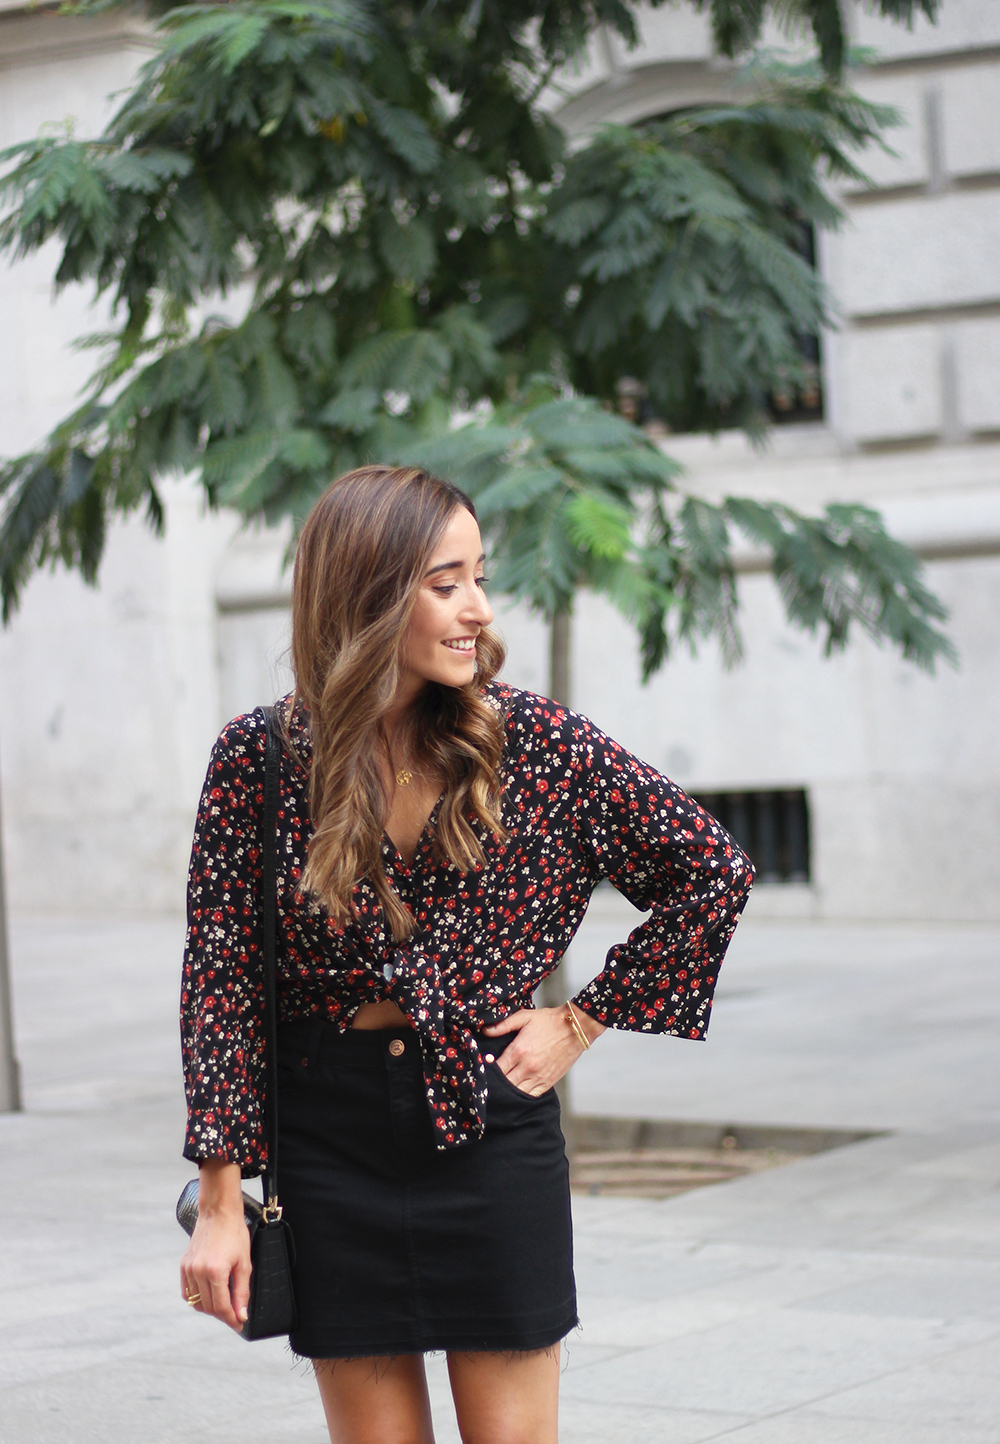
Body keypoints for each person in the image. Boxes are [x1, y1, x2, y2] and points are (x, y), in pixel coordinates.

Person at [179, 464, 754, 1444]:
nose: (477, 609)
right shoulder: (261, 758)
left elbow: (709, 869)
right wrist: (222, 1199)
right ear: (367, 593)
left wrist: (580, 1020)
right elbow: (222, 976)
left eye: (478, 577)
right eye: (446, 583)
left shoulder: (537, 744)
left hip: (489, 1123)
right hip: (329, 1136)